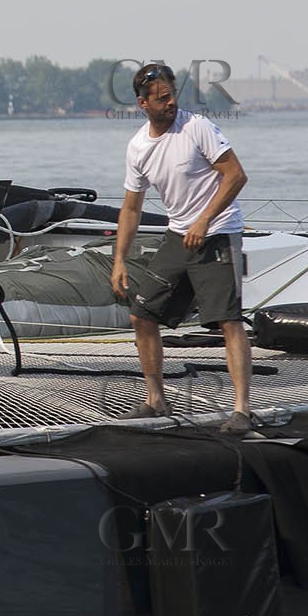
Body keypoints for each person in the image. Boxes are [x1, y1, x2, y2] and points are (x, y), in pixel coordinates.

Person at [109, 62, 253, 434]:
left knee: (228, 320)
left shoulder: (197, 127)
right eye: (160, 99)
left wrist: (204, 220)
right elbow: (130, 208)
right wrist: (119, 260)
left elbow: (236, 175)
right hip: (178, 236)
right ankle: (156, 400)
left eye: (172, 95)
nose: (170, 103)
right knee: (142, 315)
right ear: (143, 104)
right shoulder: (138, 147)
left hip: (217, 231)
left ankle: (241, 409)